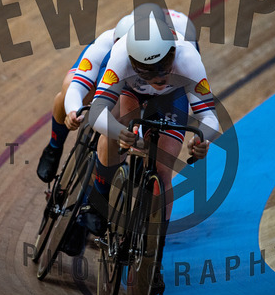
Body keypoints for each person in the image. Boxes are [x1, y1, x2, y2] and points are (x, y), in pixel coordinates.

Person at [79, 16, 220, 236]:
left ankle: (155, 245)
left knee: (163, 169)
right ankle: (100, 198)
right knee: (115, 133)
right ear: (133, 62)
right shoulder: (120, 56)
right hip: (132, 91)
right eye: (150, 71)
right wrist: (118, 132)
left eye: (165, 67)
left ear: (173, 52)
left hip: (171, 97)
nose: (160, 79)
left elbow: (208, 116)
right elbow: (97, 111)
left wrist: (203, 138)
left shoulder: (188, 58)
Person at [36, 4, 199, 183]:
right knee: (70, 89)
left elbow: (186, 90)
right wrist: (74, 110)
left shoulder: (183, 45)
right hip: (118, 72)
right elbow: (76, 87)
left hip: (157, 75)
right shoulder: (109, 43)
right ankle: (54, 146)